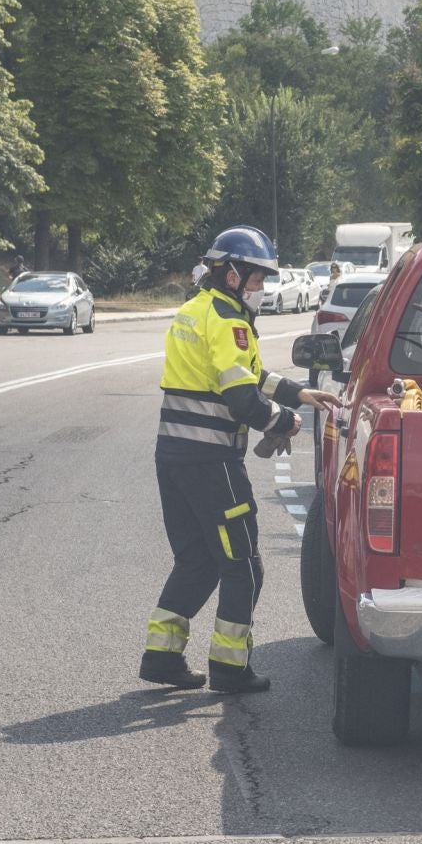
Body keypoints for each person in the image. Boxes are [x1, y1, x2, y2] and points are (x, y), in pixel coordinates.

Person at [141, 225, 341, 694]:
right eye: (256, 278)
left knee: (196, 561)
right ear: (231, 274)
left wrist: (298, 392)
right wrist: (286, 421)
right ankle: (230, 669)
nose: (262, 288)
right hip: (211, 462)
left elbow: (247, 375)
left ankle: (161, 656)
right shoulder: (230, 320)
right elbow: (242, 401)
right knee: (243, 565)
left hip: (174, 457)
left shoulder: (194, 311)